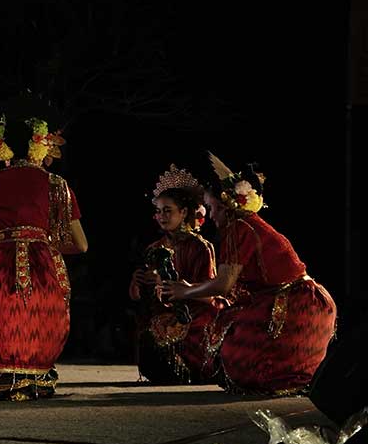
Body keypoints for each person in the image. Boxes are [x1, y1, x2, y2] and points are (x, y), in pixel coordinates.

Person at [0, 97, 88, 400]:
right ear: (42, 145)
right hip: (42, 264)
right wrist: (46, 244)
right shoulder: (57, 185)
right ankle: (32, 373)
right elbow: (81, 244)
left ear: (3, 145)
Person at [159, 154, 337, 395]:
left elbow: (222, 285)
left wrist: (186, 289)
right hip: (301, 300)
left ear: (226, 206)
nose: (210, 216)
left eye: (212, 208)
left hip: (294, 304)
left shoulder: (237, 228)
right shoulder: (245, 225)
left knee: (235, 350)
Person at [129, 164, 219, 384]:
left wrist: (179, 289)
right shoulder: (153, 248)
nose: (161, 216)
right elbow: (140, 299)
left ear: (184, 212)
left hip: (195, 310)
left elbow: (210, 294)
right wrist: (136, 284)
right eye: (158, 211)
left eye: (167, 210)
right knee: (151, 329)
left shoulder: (200, 247)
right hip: (163, 313)